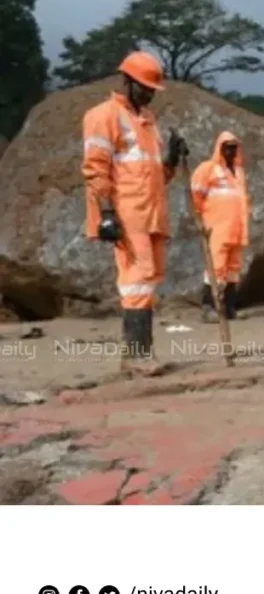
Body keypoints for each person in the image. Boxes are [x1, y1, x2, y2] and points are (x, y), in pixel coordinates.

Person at [81, 51, 188, 376]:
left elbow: (156, 175)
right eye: (143, 87)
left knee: (149, 279)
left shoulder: (148, 123)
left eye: (153, 89)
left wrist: (169, 159)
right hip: (127, 213)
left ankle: (142, 353)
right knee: (136, 280)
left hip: (152, 211)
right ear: (126, 81)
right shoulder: (103, 116)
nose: (149, 93)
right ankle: (136, 356)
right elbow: (95, 169)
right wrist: (107, 214)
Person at [191, 131, 250, 322]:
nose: (231, 151)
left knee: (233, 269)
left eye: (234, 147)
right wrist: (199, 219)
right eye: (227, 147)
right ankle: (209, 307)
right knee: (216, 267)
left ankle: (229, 307)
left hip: (237, 228)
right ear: (219, 148)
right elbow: (195, 196)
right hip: (216, 226)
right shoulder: (208, 169)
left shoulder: (239, 172)